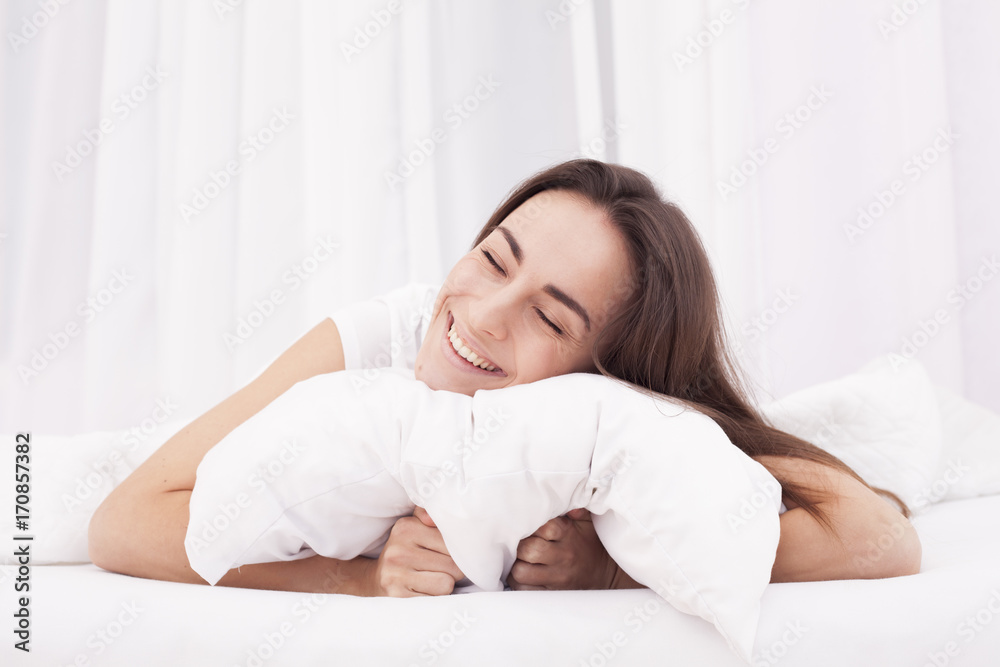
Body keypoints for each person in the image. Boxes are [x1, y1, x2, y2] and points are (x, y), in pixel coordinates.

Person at [89, 159, 921, 597]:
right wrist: (357, 577)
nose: (485, 315)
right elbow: (124, 522)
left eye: (552, 318)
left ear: (609, 374)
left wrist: (615, 564)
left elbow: (881, 535)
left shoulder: (618, 422)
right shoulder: (380, 339)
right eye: (493, 260)